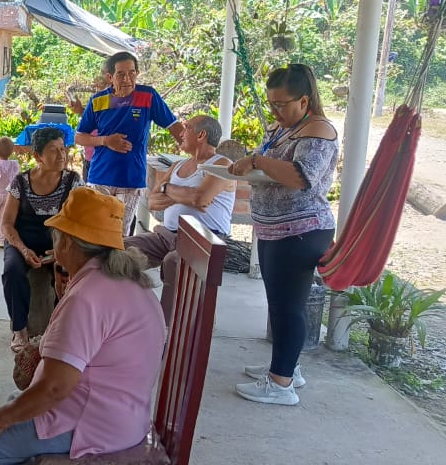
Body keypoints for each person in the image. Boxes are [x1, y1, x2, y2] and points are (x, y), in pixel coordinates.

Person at [0, 187, 165, 464]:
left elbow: (55, 389)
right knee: (14, 403)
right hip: (124, 416)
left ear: (67, 243)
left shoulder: (87, 297)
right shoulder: (127, 281)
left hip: (92, 424)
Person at [229, 64, 339, 406]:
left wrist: (256, 161)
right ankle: (287, 366)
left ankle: (281, 385)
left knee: (289, 307)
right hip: (274, 229)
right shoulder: (284, 128)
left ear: (304, 100)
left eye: (281, 104)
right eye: (271, 104)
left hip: (301, 231)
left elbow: (301, 176)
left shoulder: (318, 130)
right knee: (277, 305)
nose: (275, 111)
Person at [125, 114, 234, 321]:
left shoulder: (222, 164)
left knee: (173, 262)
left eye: (187, 128)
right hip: (165, 236)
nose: (181, 134)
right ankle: (128, 314)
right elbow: (153, 201)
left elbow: (199, 198)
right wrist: (184, 196)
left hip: (202, 241)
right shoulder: (177, 166)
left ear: (201, 135)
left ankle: (169, 326)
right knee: (118, 250)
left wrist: (168, 189)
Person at [75, 52, 185, 236]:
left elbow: (173, 126)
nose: (127, 79)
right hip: (100, 178)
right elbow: (79, 137)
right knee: (94, 234)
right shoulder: (98, 101)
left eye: (132, 73)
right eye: (120, 74)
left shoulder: (148, 96)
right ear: (110, 77)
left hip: (131, 179)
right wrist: (105, 141)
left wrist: (198, 154)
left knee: (119, 237)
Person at [0, 127, 83, 353]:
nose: (61, 155)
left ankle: (59, 330)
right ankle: (20, 329)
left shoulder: (73, 181)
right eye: (53, 150)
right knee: (12, 271)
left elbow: (78, 222)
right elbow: (7, 224)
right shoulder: (21, 182)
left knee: (70, 274)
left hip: (58, 244)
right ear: (38, 156)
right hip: (22, 242)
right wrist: (24, 250)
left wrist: (61, 251)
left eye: (63, 149)